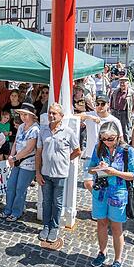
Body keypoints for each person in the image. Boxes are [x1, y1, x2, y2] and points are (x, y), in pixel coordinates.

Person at [86, 122, 134, 267]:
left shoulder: (127, 151)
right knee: (101, 223)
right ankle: (102, 252)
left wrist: (114, 171)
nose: (107, 142)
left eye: (110, 138)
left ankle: (117, 260)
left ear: (118, 136)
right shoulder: (99, 147)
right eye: (103, 139)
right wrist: (99, 168)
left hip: (118, 193)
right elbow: (90, 168)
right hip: (100, 192)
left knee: (117, 228)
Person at [36, 103, 81, 244]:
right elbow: (38, 153)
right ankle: (45, 226)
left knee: (57, 202)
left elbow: (78, 150)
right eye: (50, 112)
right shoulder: (43, 131)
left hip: (60, 174)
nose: (51, 115)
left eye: (54, 113)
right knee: (46, 201)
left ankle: (54, 227)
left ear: (61, 116)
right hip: (45, 173)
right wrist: (37, 172)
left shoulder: (68, 132)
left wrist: (65, 159)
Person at [0, 103, 39, 222]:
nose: (23, 117)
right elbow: (16, 143)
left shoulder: (35, 129)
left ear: (32, 116)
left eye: (25, 114)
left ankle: (17, 211)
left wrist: (15, 158)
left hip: (28, 162)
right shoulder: (21, 126)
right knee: (11, 186)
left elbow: (29, 149)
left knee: (20, 188)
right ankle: (8, 209)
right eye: (21, 114)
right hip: (17, 160)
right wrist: (12, 155)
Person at [109, 79, 134, 143]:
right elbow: (111, 100)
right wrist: (111, 109)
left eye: (123, 83)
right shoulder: (115, 92)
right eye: (121, 83)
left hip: (125, 113)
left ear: (127, 84)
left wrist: (132, 112)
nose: (122, 84)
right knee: (114, 129)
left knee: (125, 130)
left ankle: (125, 146)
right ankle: (116, 144)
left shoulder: (131, 93)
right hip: (115, 112)